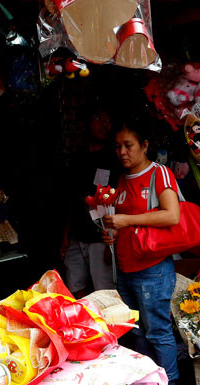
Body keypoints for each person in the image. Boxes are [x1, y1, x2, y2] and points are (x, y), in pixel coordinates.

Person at [102, 119, 181, 385]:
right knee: (135, 331)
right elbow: (121, 222)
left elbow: (172, 215)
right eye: (118, 146)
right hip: (125, 268)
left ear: (144, 146)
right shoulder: (121, 179)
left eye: (128, 145)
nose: (122, 152)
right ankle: (148, 383)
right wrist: (113, 233)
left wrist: (127, 221)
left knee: (157, 330)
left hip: (153, 268)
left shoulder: (159, 174)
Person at [61, 109, 116, 298]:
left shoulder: (113, 158)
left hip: (100, 237)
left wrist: (113, 238)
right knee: (74, 288)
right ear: (86, 124)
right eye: (99, 118)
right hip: (77, 235)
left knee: (104, 291)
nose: (104, 125)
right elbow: (71, 199)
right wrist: (66, 236)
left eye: (108, 121)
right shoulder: (78, 157)